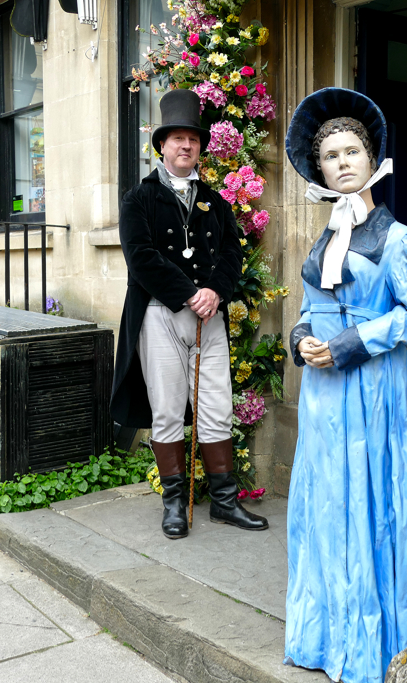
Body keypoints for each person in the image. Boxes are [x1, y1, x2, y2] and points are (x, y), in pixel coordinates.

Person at [283, 87, 407, 683]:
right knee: (326, 505)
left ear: (372, 160)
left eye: (352, 152)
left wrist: (345, 346)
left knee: (377, 504)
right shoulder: (320, 242)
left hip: (376, 392)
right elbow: (306, 309)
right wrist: (301, 341)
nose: (342, 162)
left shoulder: (402, 241)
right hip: (323, 397)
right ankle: (325, 638)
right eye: (331, 156)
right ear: (319, 168)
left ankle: (377, 646)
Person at [110, 88, 268, 539]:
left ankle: (223, 502)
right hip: (160, 315)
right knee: (166, 411)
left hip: (210, 318)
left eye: (193, 139)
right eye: (177, 138)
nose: (186, 145)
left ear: (200, 147)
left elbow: (234, 255)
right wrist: (189, 294)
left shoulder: (215, 203)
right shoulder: (137, 200)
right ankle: (174, 503)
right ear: (162, 145)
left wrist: (215, 291)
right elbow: (140, 258)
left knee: (217, 409)